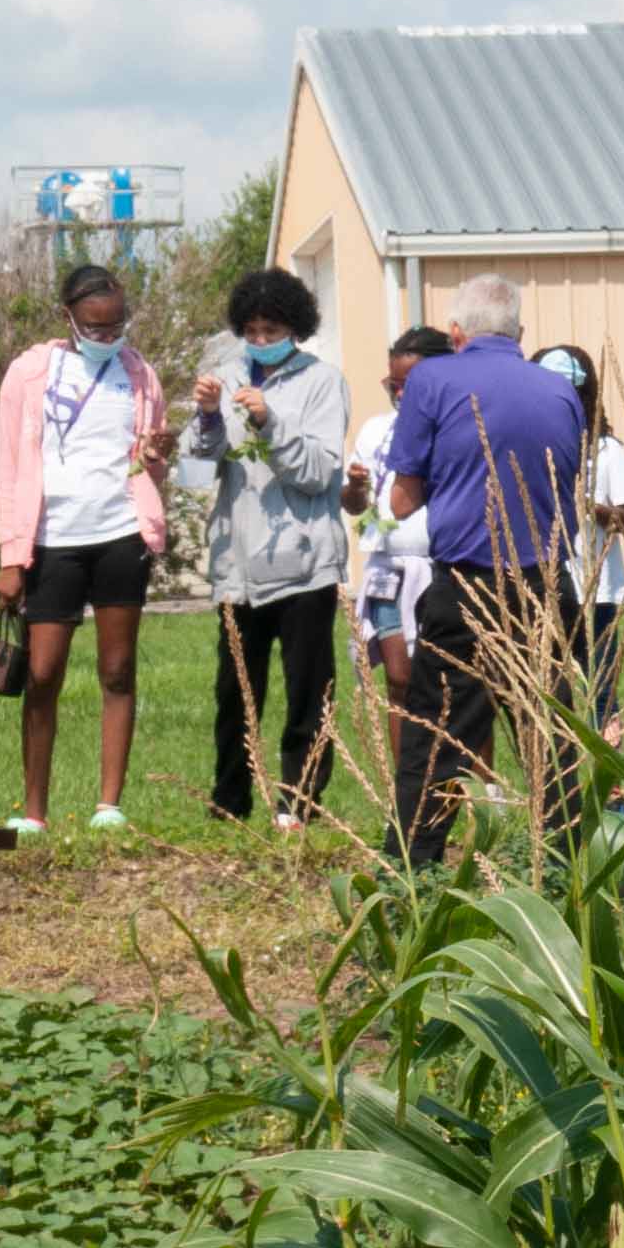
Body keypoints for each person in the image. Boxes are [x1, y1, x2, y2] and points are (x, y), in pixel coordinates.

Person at [381, 273, 584, 864]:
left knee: (436, 734)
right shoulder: (559, 389)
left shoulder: (432, 379)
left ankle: (411, 867)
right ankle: (572, 863)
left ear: (455, 332)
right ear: (520, 333)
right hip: (546, 582)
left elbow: (404, 497)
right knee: (552, 736)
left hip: (468, 582)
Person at [0, 263, 174, 835]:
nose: (107, 337)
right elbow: (11, 468)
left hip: (119, 534)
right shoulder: (28, 374)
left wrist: (160, 453)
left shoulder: (139, 374)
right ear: (66, 317)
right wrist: (11, 557)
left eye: (116, 326)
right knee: (42, 674)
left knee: (117, 669)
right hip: (52, 540)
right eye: (94, 328)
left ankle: (108, 804)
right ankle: (34, 811)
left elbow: (152, 465)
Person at [195, 267, 351, 829]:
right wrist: (209, 417)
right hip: (238, 562)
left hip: (305, 564)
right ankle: (230, 798)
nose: (261, 340)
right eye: (253, 329)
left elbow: (317, 473)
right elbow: (200, 465)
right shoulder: (225, 375)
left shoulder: (323, 382)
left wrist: (269, 421)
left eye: (273, 328)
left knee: (308, 689)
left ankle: (299, 801)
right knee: (235, 690)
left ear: (297, 327)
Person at [343, 322, 447, 761]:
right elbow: (352, 505)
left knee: (448, 682)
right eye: (393, 384)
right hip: (388, 567)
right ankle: (408, 783)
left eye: (410, 384)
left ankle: (465, 782)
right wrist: (355, 487)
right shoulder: (375, 430)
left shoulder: (451, 427)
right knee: (399, 679)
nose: (400, 394)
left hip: (439, 567)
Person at [530, 343, 624, 738]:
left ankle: (612, 785)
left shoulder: (606, 451)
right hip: (544, 584)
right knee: (549, 687)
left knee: (601, 686)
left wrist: (588, 505)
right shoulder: (527, 448)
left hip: (598, 590)